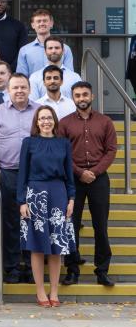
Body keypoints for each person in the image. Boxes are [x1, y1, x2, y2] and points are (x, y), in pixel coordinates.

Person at [59, 82, 117, 287]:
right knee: (71, 226)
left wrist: (95, 172)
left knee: (100, 226)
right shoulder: (64, 123)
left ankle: (102, 270)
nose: (81, 98)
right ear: (73, 98)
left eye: (85, 94)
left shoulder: (105, 122)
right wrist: (80, 172)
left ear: (92, 96)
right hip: (73, 179)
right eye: (77, 95)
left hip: (99, 179)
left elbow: (111, 150)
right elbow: (62, 153)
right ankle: (72, 270)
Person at [18, 106, 77, 307]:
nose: (45, 121)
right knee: (37, 246)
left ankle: (54, 291)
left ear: (54, 121)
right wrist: (22, 201)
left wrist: (71, 198)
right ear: (36, 121)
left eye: (49, 118)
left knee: (56, 247)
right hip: (35, 194)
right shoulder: (29, 143)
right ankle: (40, 291)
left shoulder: (64, 144)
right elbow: (22, 174)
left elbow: (69, 174)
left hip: (58, 194)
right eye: (42, 118)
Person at [0, 73, 39, 284]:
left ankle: (30, 265)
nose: (19, 91)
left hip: (35, 176)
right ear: (8, 90)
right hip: (7, 173)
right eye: (15, 88)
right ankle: (12, 267)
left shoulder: (39, 111)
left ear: (29, 89)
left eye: (23, 87)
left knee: (33, 221)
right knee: (10, 222)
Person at [16, 9, 75, 77]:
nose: (42, 23)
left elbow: (69, 76)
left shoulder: (65, 49)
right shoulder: (24, 51)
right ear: (33, 25)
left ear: (51, 23)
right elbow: (22, 78)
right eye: (38, 21)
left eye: (45, 21)